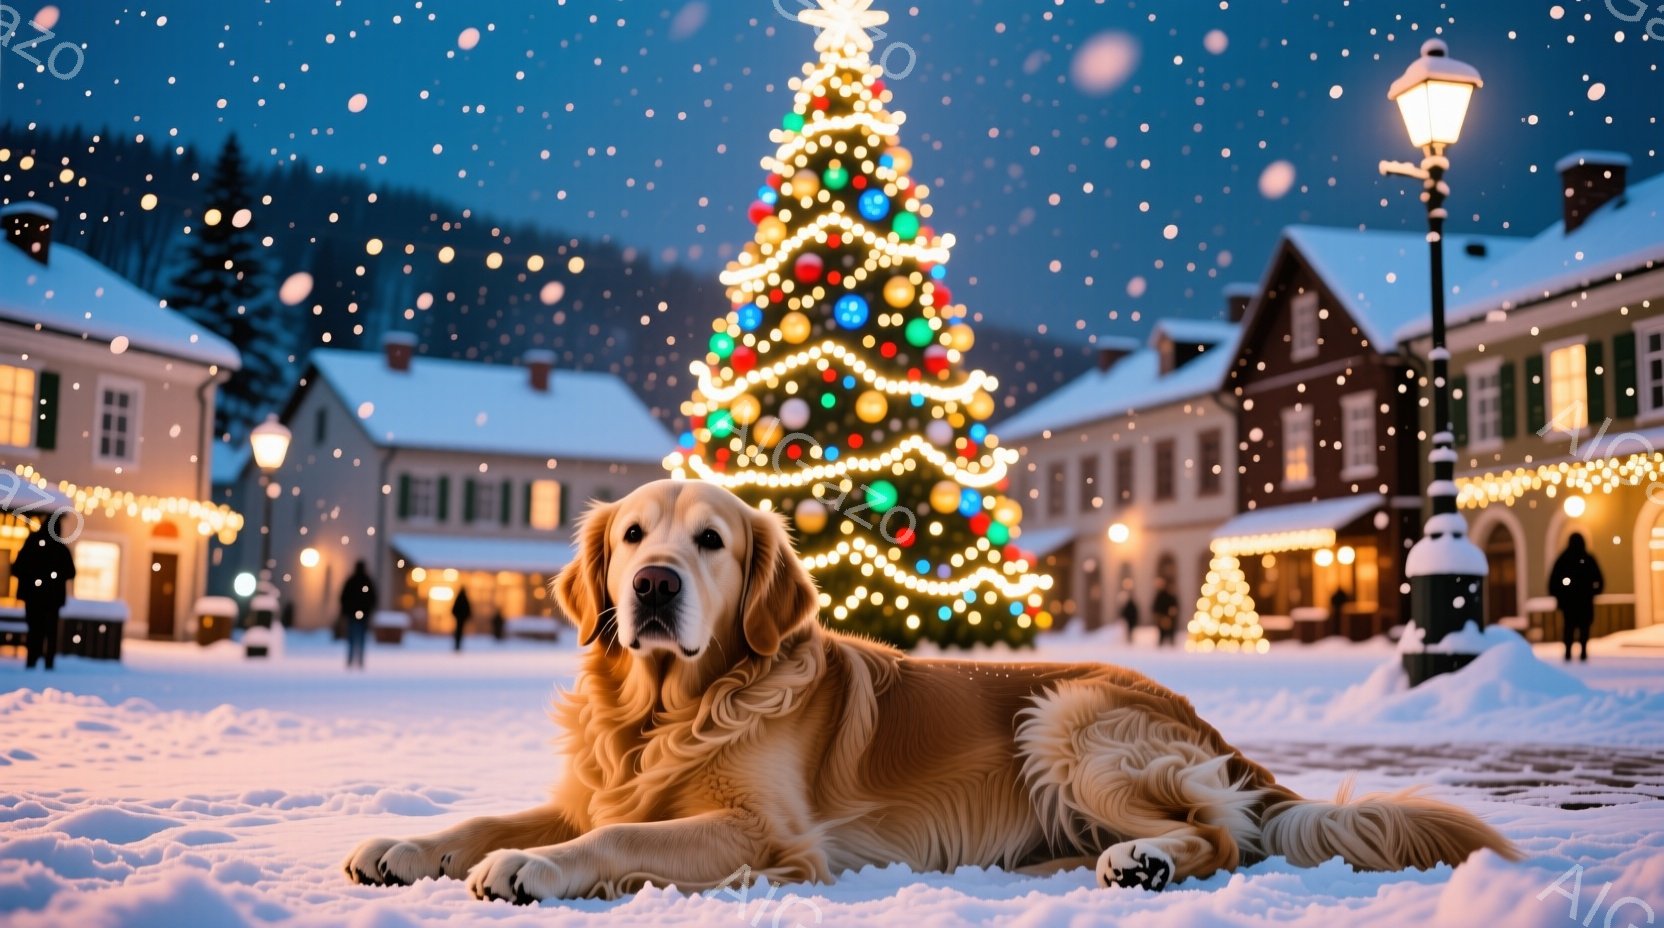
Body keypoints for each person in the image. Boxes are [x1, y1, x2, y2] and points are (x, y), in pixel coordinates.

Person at [10, 521, 76, 671]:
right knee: (46, 631)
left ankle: (35, 659)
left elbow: (17, 568)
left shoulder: (35, 545)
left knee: (36, 630)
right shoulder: (58, 548)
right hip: (48, 599)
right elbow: (71, 572)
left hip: (38, 598)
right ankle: (44, 661)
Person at [1549, 533, 1603, 663]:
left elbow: (1553, 582)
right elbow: (1599, 580)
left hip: (1570, 603)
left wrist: (1559, 596)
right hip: (1582, 601)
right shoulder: (1587, 559)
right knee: (1582, 628)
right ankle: (1581, 652)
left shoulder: (1564, 559)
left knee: (1570, 628)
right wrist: (1593, 592)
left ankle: (1570, 652)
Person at [340, 560, 376, 669]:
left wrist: (346, 611)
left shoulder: (353, 581)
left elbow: (344, 597)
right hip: (360, 614)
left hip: (355, 614)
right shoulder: (365, 581)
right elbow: (372, 598)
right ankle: (357, 660)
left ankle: (353, 660)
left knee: (353, 638)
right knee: (360, 638)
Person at [1151, 578, 1180, 648]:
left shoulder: (1172, 596)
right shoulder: (1161, 595)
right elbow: (1156, 606)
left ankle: (1171, 646)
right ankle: (1161, 646)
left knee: (1171, 633)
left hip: (1170, 618)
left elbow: (1175, 607)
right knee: (1162, 633)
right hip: (1162, 617)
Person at [451, 588, 472, 653]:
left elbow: (454, 609)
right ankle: (457, 645)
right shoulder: (464, 599)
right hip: (461, 619)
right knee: (459, 632)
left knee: (458, 632)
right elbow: (468, 609)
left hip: (459, 619)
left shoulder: (458, 599)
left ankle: (457, 645)